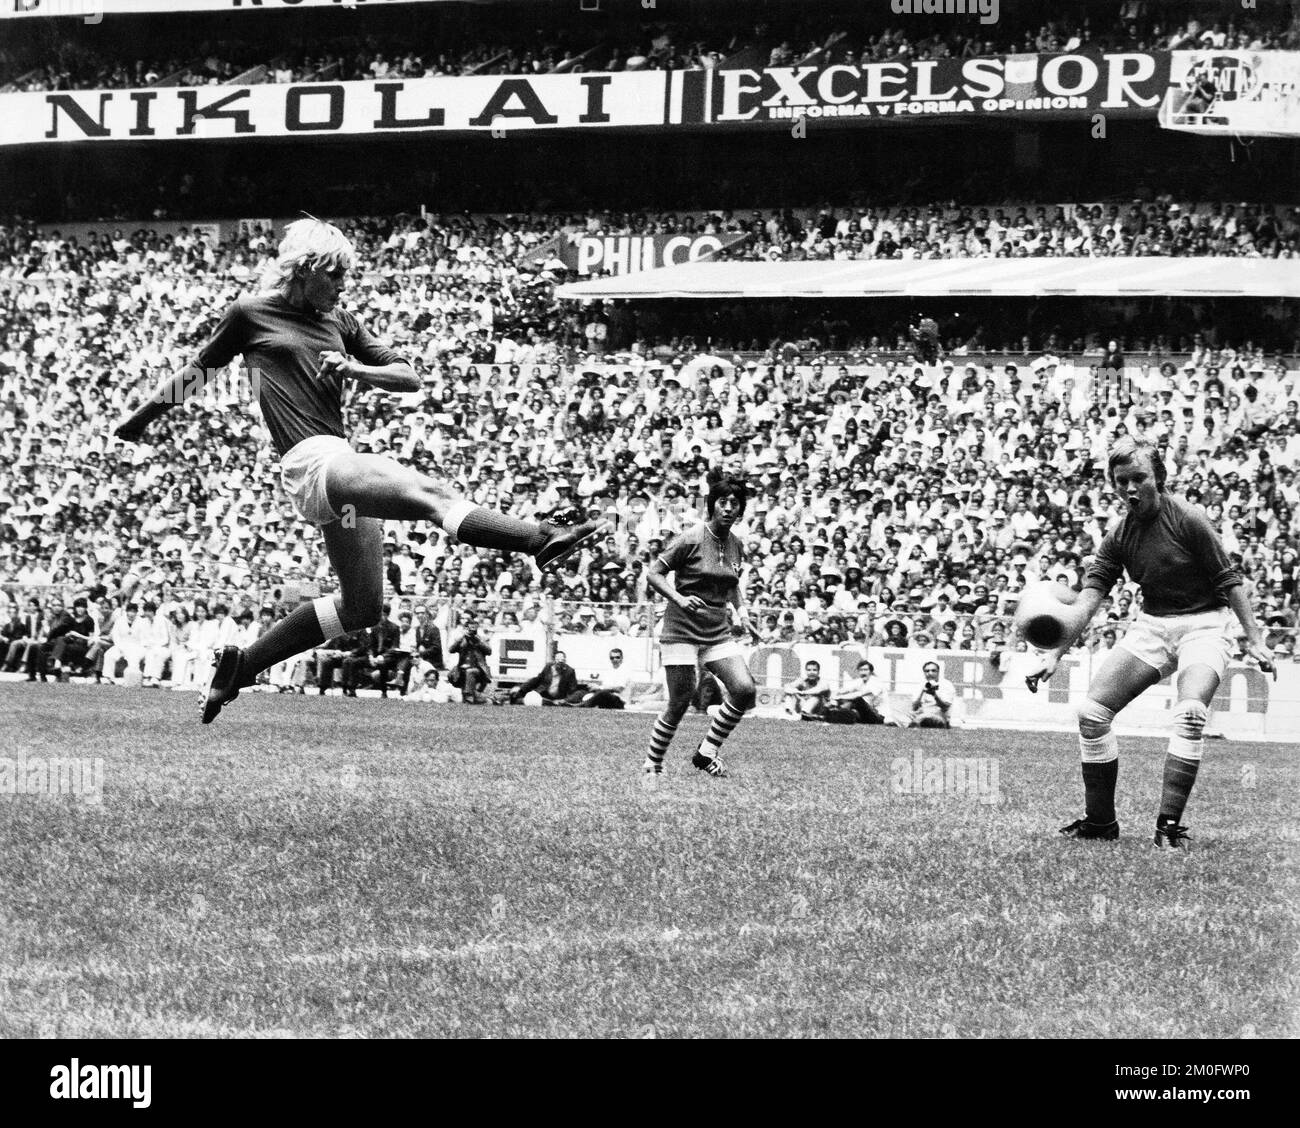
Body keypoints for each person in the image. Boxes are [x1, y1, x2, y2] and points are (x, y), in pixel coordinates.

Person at [112, 217, 606, 724]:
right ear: (304, 271)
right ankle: (540, 539)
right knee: (430, 493)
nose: (344, 286)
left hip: (340, 484)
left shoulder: (341, 322)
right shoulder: (251, 313)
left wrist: (356, 369)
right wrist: (139, 420)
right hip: (312, 463)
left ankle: (241, 667)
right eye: (336, 276)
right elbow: (197, 373)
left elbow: (408, 377)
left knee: (362, 607)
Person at [1027, 437, 1275, 848]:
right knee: (1091, 713)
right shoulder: (1119, 533)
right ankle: (1100, 823)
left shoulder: (1188, 518)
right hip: (1153, 626)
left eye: (1139, 478)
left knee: (1191, 712)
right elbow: (1090, 599)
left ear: (1158, 477)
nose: (1130, 488)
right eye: (1121, 480)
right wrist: (1053, 653)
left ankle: (1168, 825)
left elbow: (1229, 580)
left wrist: (1256, 639)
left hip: (1205, 625)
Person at [641, 470, 757, 781]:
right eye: (723, 501)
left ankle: (706, 751)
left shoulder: (736, 544)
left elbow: (732, 584)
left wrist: (744, 615)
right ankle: (653, 764)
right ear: (712, 504)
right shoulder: (691, 538)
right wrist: (679, 599)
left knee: (744, 690)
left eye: (735, 502)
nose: (729, 507)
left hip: (716, 630)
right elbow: (653, 573)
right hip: (681, 629)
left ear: (741, 509)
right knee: (681, 699)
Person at [825, 658, 891, 724]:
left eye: (865, 670)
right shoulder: (860, 681)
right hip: (866, 715)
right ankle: (832, 714)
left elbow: (859, 695)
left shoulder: (876, 682)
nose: (863, 672)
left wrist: (839, 698)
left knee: (857, 700)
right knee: (850, 712)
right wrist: (834, 696)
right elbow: (844, 690)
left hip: (879, 716)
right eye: (861, 670)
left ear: (871, 672)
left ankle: (835, 713)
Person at [447, 615, 492, 702]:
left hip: (479, 669)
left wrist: (477, 640)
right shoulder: (461, 640)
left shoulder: (480, 639)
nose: (471, 631)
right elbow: (451, 650)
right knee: (451, 674)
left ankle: (469, 695)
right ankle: (475, 696)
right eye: (469, 628)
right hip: (462, 667)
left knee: (470, 672)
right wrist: (461, 638)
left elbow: (489, 651)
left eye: (473, 628)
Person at [510, 648, 579, 705]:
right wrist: (521, 688)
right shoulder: (548, 667)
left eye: (562, 661)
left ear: (565, 660)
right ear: (554, 660)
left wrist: (565, 700)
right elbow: (537, 679)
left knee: (534, 702)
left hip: (558, 699)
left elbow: (572, 689)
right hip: (543, 694)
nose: (560, 663)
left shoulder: (570, 671)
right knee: (519, 696)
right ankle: (506, 699)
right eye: (558, 660)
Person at [909, 660, 955, 728]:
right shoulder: (920, 685)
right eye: (927, 671)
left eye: (933, 671)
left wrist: (934, 695)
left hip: (939, 716)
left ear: (938, 672)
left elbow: (945, 707)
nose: (930, 673)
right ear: (924, 673)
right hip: (921, 715)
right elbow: (914, 707)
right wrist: (922, 692)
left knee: (930, 720)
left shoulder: (946, 685)